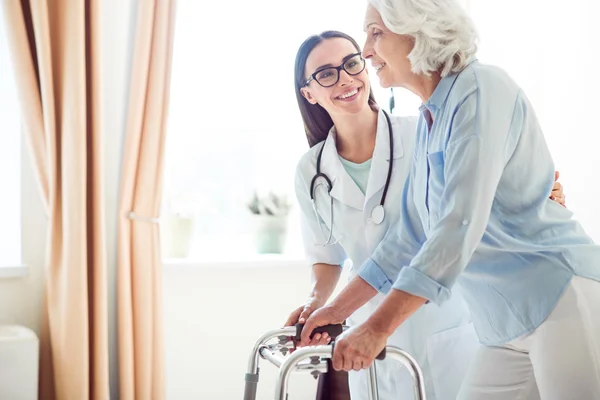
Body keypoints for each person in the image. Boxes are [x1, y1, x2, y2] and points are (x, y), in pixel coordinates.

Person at [300, 1, 600, 399]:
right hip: (502, 323)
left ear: (417, 28)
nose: (367, 51)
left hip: (557, 296)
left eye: (376, 33)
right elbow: (407, 238)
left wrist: (377, 327)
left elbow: (457, 226)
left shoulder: (480, 89)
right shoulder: (431, 120)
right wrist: (336, 311)